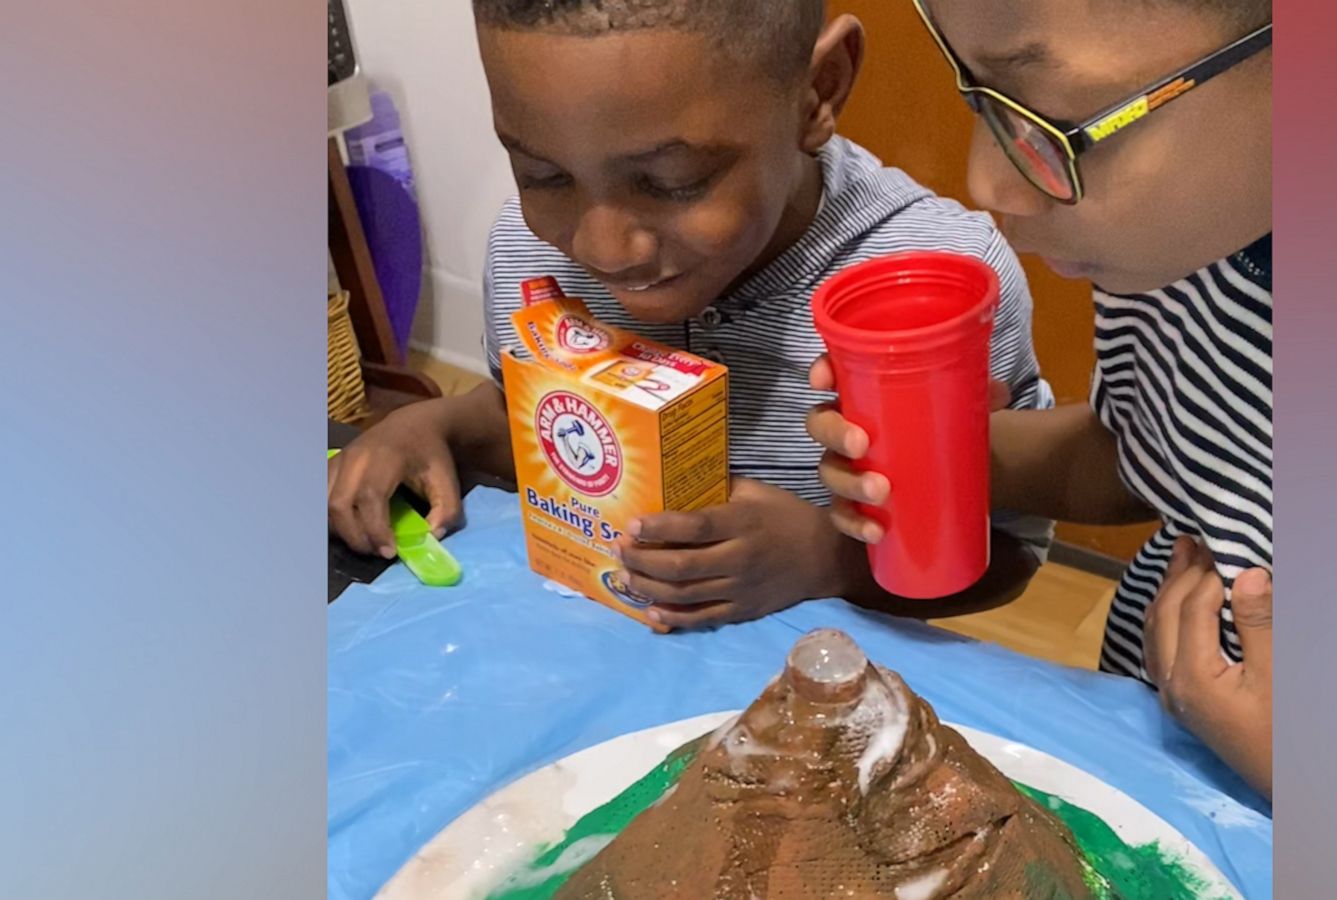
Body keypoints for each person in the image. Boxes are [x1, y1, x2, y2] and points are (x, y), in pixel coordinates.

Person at [328, 0, 1056, 629]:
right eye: (542, 175)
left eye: (672, 182)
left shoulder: (938, 294)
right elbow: (536, 424)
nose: (603, 247)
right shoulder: (530, 250)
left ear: (818, 91)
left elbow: (1007, 558)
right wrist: (439, 426)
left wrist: (830, 563)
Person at [807, 0, 1273, 798]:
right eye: (980, 93)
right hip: (1155, 742)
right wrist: (940, 455)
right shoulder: (1182, 248)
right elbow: (1148, 460)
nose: (987, 182)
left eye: (1052, 118)